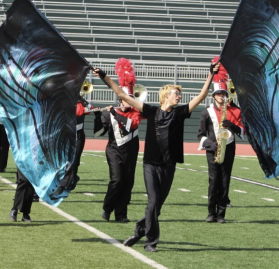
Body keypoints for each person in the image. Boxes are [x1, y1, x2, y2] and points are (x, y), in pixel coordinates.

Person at [94, 62, 219, 252]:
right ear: (165, 96)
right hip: (150, 165)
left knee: (157, 208)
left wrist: (210, 74)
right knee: (152, 202)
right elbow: (120, 94)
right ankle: (150, 242)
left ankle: (139, 230)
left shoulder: (180, 113)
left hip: (169, 166)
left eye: (179, 93)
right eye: (175, 93)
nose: (179, 95)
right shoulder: (150, 111)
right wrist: (103, 75)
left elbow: (201, 96)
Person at [197, 59, 243, 223]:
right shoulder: (206, 112)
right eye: (219, 94)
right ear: (214, 96)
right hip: (213, 150)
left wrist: (233, 126)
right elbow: (200, 135)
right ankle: (211, 212)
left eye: (224, 94)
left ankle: (221, 213)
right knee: (213, 181)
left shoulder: (235, 110)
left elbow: (244, 131)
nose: (222, 97)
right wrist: (211, 144)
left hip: (229, 148)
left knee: (225, 181)